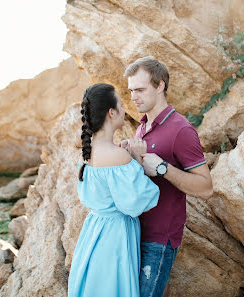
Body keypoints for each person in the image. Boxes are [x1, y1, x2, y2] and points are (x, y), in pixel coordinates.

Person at [122, 56, 214, 297]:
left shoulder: (181, 130)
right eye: (131, 91)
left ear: (160, 85)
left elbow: (206, 188)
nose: (134, 97)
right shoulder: (142, 126)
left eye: (140, 90)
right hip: (133, 233)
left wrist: (164, 168)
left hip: (159, 241)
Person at [68, 83, 160, 297]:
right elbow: (140, 201)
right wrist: (137, 160)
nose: (125, 109)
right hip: (114, 236)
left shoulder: (87, 154)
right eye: (120, 104)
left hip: (93, 232)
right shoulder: (119, 157)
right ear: (111, 112)